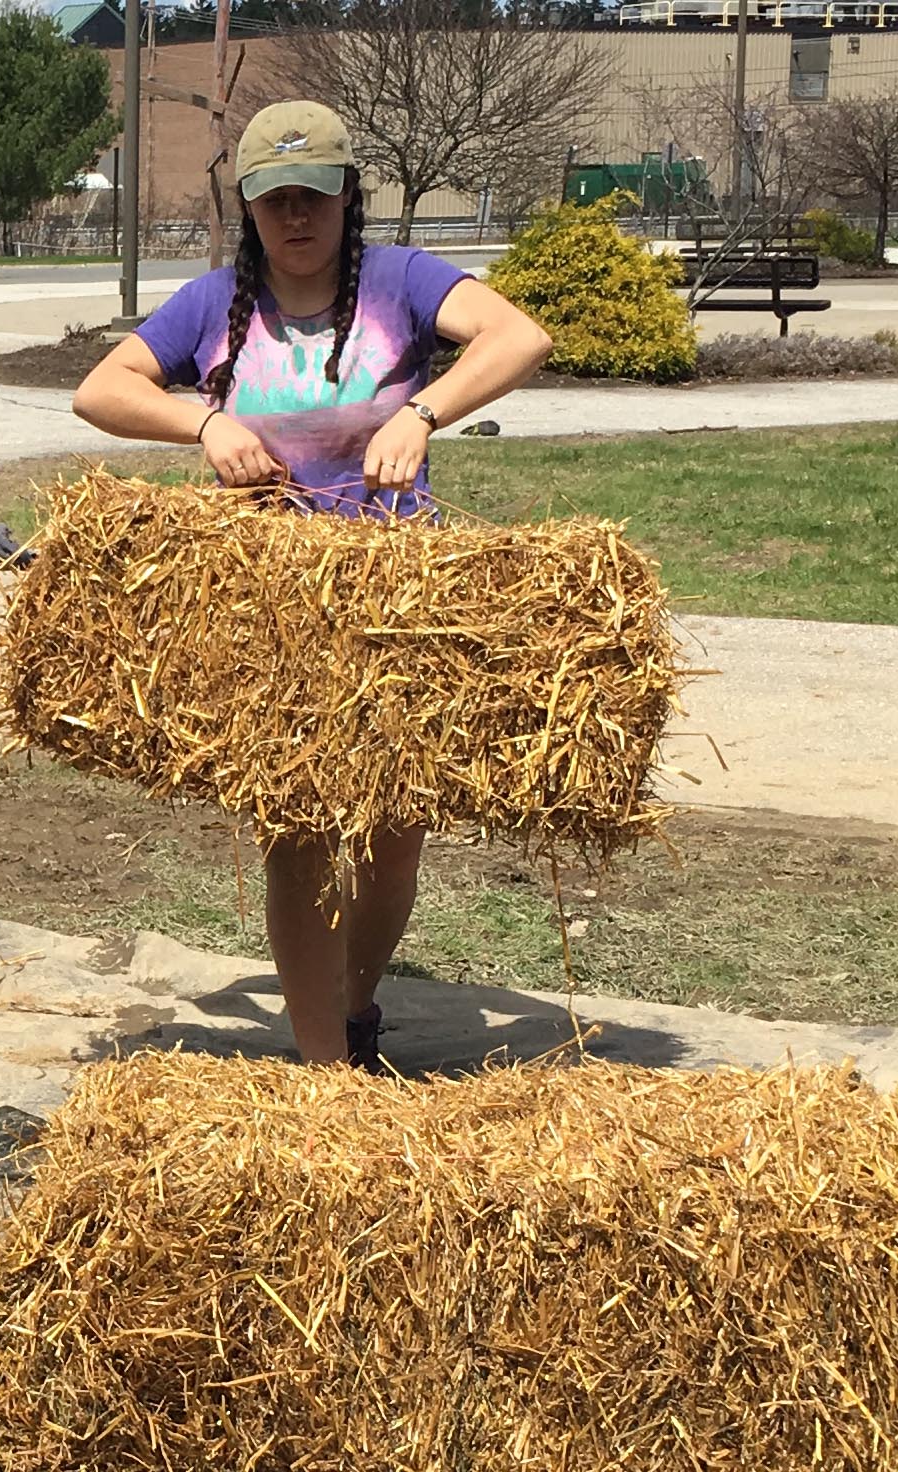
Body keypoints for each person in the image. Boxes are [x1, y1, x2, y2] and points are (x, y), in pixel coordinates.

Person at [69, 101, 555, 1073]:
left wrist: (424, 410)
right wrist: (201, 425)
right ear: (248, 207)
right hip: (271, 607)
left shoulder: (400, 280)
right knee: (296, 832)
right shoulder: (212, 304)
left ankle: (351, 1000)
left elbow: (518, 337)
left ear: (347, 199)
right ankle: (327, 1071)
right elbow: (100, 389)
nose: (296, 217)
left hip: (393, 596)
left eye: (315, 197)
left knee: (393, 834)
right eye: (275, 199)